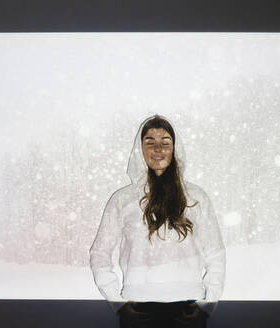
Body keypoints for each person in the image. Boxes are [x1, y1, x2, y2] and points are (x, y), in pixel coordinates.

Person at [90, 114, 226, 328]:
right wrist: (118, 303)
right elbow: (99, 253)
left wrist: (207, 305)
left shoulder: (196, 197)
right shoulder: (122, 199)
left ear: (175, 149)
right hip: (138, 309)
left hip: (188, 310)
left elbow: (216, 253)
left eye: (165, 142)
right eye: (150, 142)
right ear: (139, 149)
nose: (158, 149)